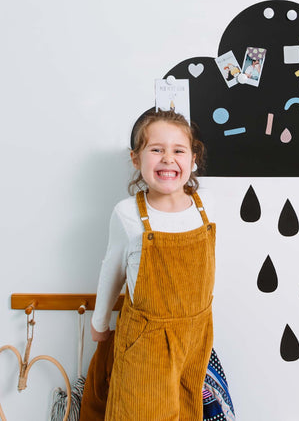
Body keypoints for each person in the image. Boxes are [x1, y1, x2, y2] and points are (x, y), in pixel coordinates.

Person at [91, 109, 215, 420]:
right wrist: (100, 324)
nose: (167, 159)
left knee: (187, 410)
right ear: (136, 159)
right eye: (156, 149)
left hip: (194, 339)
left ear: (193, 158)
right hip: (145, 344)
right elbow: (112, 270)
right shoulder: (127, 214)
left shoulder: (204, 209)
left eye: (178, 150)